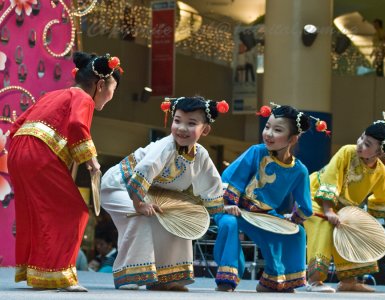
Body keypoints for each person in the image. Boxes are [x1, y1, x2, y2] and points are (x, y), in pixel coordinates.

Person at [7, 51, 122, 292]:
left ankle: (41, 273)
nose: (111, 97)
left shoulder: (54, 95)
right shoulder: (84, 98)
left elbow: (19, 124)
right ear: (100, 85)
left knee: (38, 214)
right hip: (39, 155)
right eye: (112, 90)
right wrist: (91, 160)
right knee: (76, 212)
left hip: (19, 153)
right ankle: (61, 276)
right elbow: (76, 125)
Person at [100, 96, 229, 291]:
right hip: (119, 186)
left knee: (180, 220)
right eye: (177, 121)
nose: (182, 128)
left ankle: (166, 278)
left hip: (149, 194)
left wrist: (215, 210)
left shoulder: (200, 154)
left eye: (191, 123)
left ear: (205, 129)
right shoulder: (166, 146)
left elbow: (212, 184)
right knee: (142, 219)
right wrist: (140, 206)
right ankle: (131, 275)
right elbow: (143, 172)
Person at [214, 104, 327, 293]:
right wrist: (229, 205)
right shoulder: (256, 152)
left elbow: (305, 206)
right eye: (267, 127)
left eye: (277, 130)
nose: (268, 133)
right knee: (229, 224)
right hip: (234, 207)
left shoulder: (299, 170)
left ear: (292, 138)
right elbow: (230, 178)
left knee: (296, 232)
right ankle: (227, 278)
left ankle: (276, 281)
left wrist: (293, 219)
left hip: (264, 214)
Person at [304, 114, 385, 293]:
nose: (360, 143)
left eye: (367, 144)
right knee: (323, 226)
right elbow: (330, 179)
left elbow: (382, 198)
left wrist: (367, 222)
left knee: (352, 231)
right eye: (362, 137)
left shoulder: (380, 172)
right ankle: (314, 280)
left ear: (379, 153)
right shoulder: (347, 151)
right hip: (314, 197)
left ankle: (348, 281)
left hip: (343, 209)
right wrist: (329, 210)